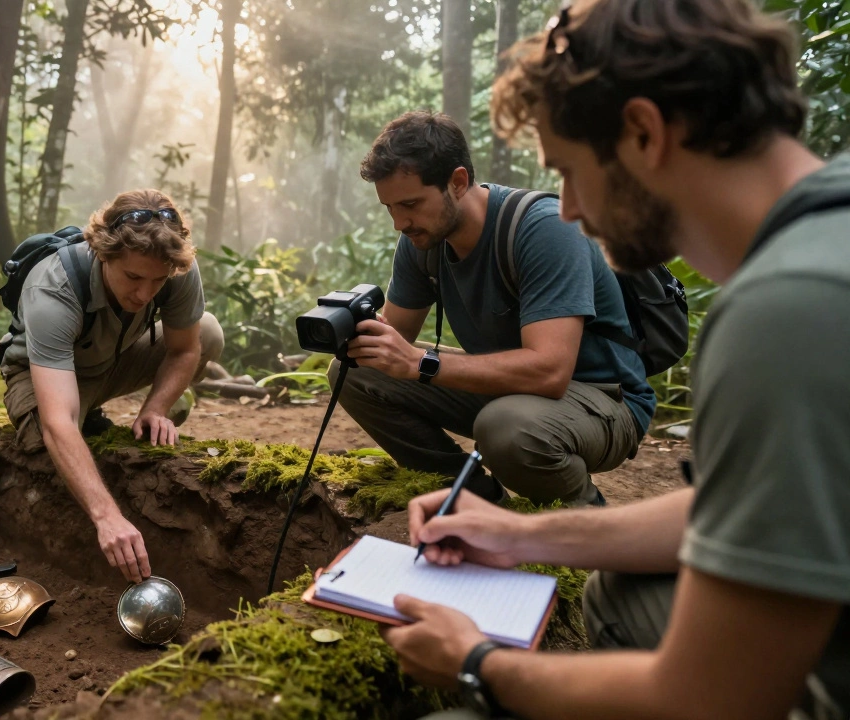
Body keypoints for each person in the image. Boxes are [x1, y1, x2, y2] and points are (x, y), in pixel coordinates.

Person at [382, 1, 850, 719]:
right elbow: (739, 511)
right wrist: (516, 532)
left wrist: (479, 663)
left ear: (643, 132)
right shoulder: (824, 238)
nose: (567, 208)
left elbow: (713, 698)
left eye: (568, 170)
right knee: (623, 596)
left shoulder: (785, 311)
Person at [333, 110, 656, 506]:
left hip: (603, 400)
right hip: (513, 392)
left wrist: (421, 363)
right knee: (356, 370)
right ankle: (471, 500)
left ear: (457, 182)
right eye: (390, 208)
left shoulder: (543, 228)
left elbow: (551, 372)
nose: (400, 222)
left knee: (505, 428)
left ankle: (586, 523)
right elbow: (395, 342)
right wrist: (352, 326)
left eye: (411, 203)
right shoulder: (423, 240)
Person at [0, 189, 224, 583]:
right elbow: (58, 420)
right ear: (103, 253)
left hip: (114, 357)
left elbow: (185, 349)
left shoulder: (173, 269)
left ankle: (161, 403)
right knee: (45, 439)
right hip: (43, 375)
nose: (144, 293)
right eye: (133, 277)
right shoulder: (53, 288)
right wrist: (107, 516)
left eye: (157, 281)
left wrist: (156, 406)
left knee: (208, 331)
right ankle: (90, 413)